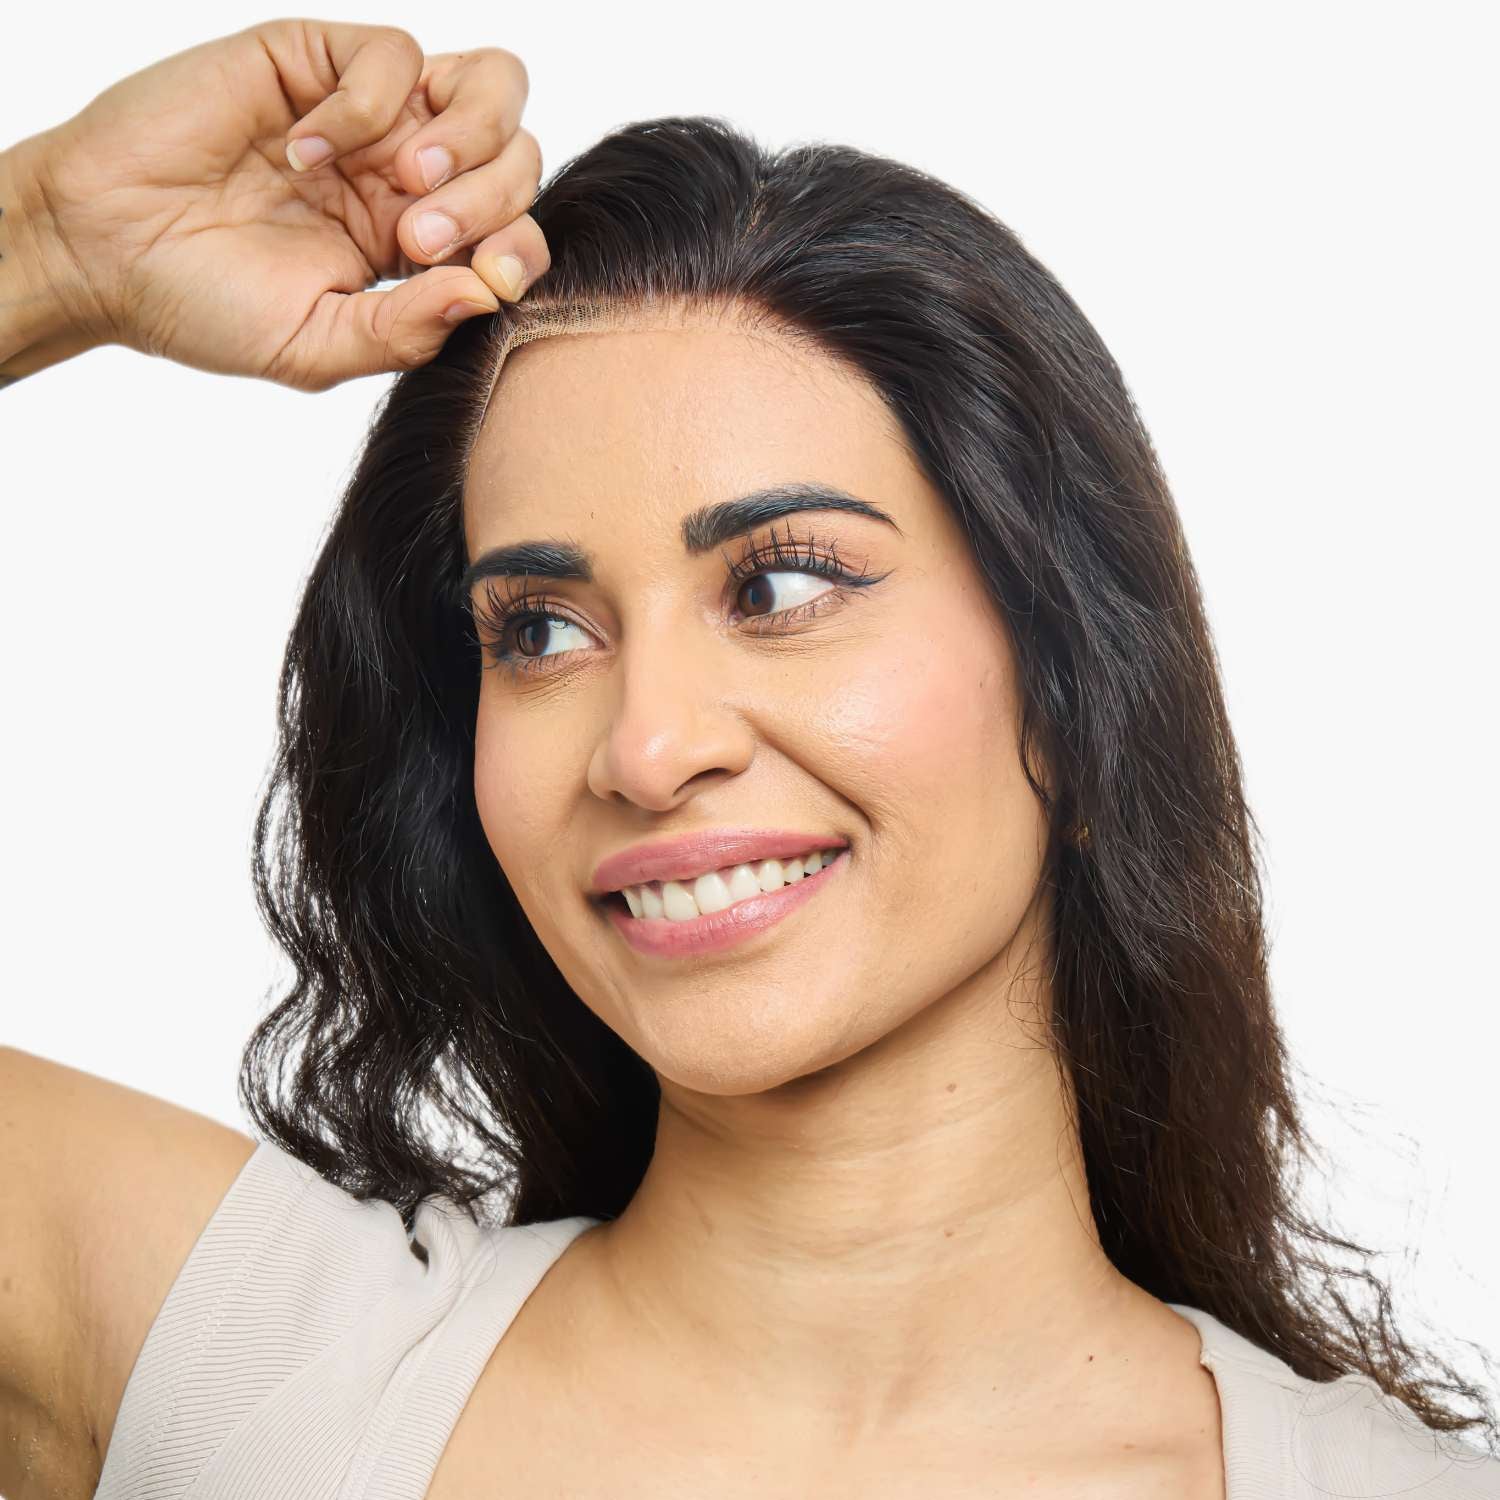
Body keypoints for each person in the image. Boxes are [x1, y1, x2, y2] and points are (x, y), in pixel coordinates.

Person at [1, 17, 1495, 1500]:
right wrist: (50, 243)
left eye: (781, 586)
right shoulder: (243, 1374)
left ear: (1071, 686)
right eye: (540, 632)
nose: (648, 749)